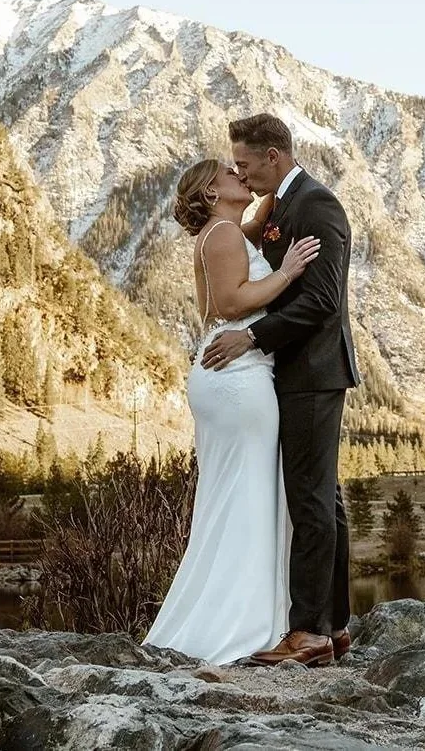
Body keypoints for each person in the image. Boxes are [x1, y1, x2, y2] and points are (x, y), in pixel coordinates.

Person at [142, 157, 320, 664]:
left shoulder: (227, 229)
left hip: (232, 372)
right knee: (249, 496)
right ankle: (240, 629)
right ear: (209, 191)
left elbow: (265, 211)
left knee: (239, 495)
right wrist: (287, 273)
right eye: (228, 172)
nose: (239, 175)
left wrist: (280, 177)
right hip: (237, 373)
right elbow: (231, 303)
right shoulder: (221, 233)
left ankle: (240, 619)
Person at [202, 113, 359, 667]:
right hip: (297, 373)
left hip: (313, 373)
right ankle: (333, 625)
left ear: (274, 155)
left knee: (311, 500)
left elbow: (321, 302)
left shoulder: (316, 206)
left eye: (244, 163)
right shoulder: (282, 205)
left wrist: (252, 337)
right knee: (323, 500)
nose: (241, 173)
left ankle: (310, 633)